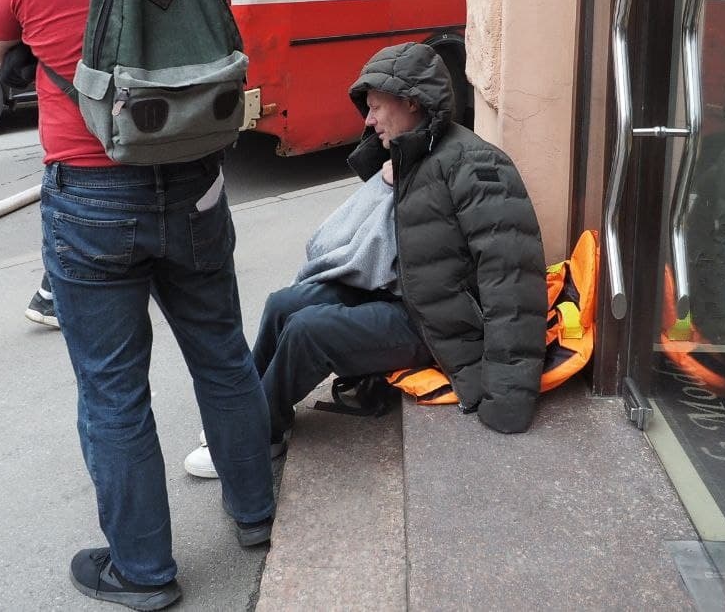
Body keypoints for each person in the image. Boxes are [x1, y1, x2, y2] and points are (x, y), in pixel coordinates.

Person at [0, 0, 273, 610]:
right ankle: (255, 513)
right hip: (195, 188)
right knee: (221, 357)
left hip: (91, 196)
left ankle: (143, 573)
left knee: (113, 388)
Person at [184, 42, 549, 479]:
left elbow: (512, 280)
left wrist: (509, 398)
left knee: (308, 332)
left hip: (439, 324)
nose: (368, 120)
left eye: (376, 108)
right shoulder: (416, 153)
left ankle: (257, 437)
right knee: (285, 303)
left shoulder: (476, 166)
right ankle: (241, 413)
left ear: (412, 102)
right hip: (403, 294)